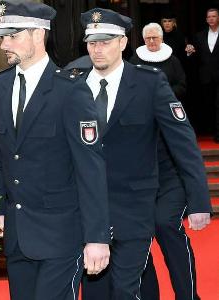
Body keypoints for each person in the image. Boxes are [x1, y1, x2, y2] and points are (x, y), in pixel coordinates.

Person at [79, 8, 211, 300]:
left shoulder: (149, 83)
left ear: (123, 43)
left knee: (126, 287)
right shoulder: (74, 83)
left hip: (136, 202)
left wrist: (199, 198)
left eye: (105, 41)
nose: (97, 49)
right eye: (92, 42)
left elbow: (183, 143)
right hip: (88, 209)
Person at [0, 1, 111, 299]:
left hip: (61, 235)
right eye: (2, 36)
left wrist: (97, 237)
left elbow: (90, 167)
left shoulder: (70, 90)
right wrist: (0, 211)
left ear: (38, 34)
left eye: (13, 35)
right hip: (18, 236)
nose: (4, 43)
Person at [186, 8, 219, 140]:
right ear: (206, 19)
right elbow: (195, 57)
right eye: (209, 17)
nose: (211, 19)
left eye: (214, 16)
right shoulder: (199, 36)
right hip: (205, 77)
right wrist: (189, 52)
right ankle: (211, 129)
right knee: (209, 105)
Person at [129, 23, 186, 99]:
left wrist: (165, 93)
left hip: (166, 102)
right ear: (144, 40)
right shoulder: (135, 60)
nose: (151, 41)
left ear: (161, 39)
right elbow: (128, 83)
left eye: (154, 37)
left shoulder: (173, 60)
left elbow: (181, 85)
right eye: (148, 38)